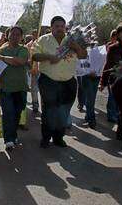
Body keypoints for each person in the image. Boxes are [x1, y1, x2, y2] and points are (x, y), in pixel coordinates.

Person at [33, 16, 87, 148]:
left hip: (68, 82)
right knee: (49, 111)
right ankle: (46, 138)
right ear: (51, 27)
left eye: (62, 26)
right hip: (48, 81)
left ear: (65, 27)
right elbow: (34, 56)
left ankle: (58, 137)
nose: (59, 29)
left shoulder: (73, 39)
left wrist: (76, 47)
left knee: (63, 111)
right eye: (56, 26)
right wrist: (49, 56)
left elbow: (83, 55)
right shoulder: (43, 40)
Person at [0, 26, 29, 150]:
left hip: (20, 88)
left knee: (17, 113)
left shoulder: (23, 50)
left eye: (17, 35)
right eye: (12, 34)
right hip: (6, 89)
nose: (15, 37)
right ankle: (8, 139)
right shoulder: (0, 50)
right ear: (7, 36)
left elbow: (19, 61)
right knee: (8, 114)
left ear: (21, 37)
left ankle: (13, 135)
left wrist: (3, 58)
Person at [81, 43, 107, 129]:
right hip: (87, 76)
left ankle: (88, 115)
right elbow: (81, 63)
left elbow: (103, 63)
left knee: (91, 98)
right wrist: (89, 71)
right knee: (90, 98)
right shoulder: (84, 49)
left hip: (96, 77)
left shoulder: (101, 50)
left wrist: (99, 72)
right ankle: (92, 119)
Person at [105, 29, 119, 123]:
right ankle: (111, 114)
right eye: (114, 36)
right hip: (111, 73)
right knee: (112, 95)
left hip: (120, 73)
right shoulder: (110, 47)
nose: (116, 38)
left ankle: (116, 113)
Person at [28, 29, 40, 114]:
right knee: (34, 89)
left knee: (43, 90)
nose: (35, 35)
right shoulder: (28, 45)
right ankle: (35, 105)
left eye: (37, 34)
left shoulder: (42, 43)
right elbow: (28, 58)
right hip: (33, 70)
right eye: (34, 34)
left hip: (42, 70)